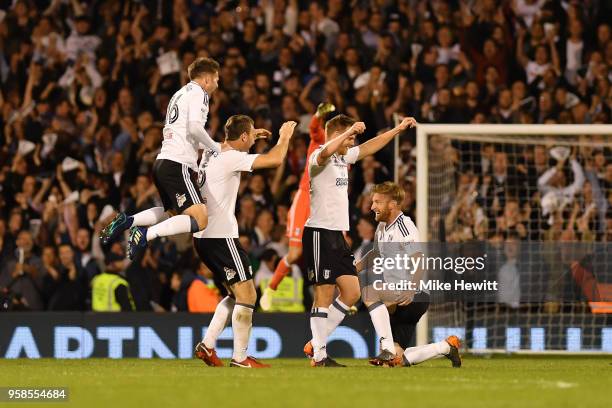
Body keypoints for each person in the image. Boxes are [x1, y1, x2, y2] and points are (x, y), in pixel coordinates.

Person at [302, 114, 417, 367]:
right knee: (323, 293)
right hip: (319, 233)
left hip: (336, 235)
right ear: (335, 134)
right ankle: (320, 354)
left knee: (353, 292)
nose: (352, 141)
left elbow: (369, 146)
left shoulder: (343, 158)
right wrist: (349, 131)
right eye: (349, 136)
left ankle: (316, 343)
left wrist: (397, 129)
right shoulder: (318, 156)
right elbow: (327, 149)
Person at [193, 115, 297, 368]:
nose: (252, 139)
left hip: (203, 236)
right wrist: (284, 136)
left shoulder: (212, 152)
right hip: (221, 236)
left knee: (234, 292)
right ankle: (240, 358)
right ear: (242, 137)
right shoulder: (231, 158)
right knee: (248, 293)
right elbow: (275, 159)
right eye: (249, 136)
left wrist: (251, 134)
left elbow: (227, 143)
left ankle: (208, 345)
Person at [99, 57, 222, 259]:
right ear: (206, 79)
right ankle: (145, 234)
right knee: (200, 220)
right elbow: (194, 128)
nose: (217, 84)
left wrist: (210, 146)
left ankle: (127, 221)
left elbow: (187, 132)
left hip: (162, 162)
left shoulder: (179, 94)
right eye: (216, 79)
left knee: (172, 214)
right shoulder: (200, 94)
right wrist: (214, 146)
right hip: (177, 165)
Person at [355, 181, 461, 368]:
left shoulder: (405, 226)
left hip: (414, 294)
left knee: (370, 293)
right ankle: (445, 347)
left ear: (393, 204)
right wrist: (355, 268)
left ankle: (386, 347)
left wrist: (411, 289)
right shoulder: (382, 227)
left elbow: (419, 258)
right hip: (399, 298)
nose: (372, 207)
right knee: (396, 362)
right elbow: (376, 253)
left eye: (378, 202)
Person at [260, 102, 334, 310]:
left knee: (334, 252)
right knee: (294, 255)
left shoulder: (344, 156)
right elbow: (313, 128)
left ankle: (340, 300)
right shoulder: (320, 143)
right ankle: (271, 289)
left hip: (324, 205)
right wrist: (318, 114)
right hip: (305, 201)